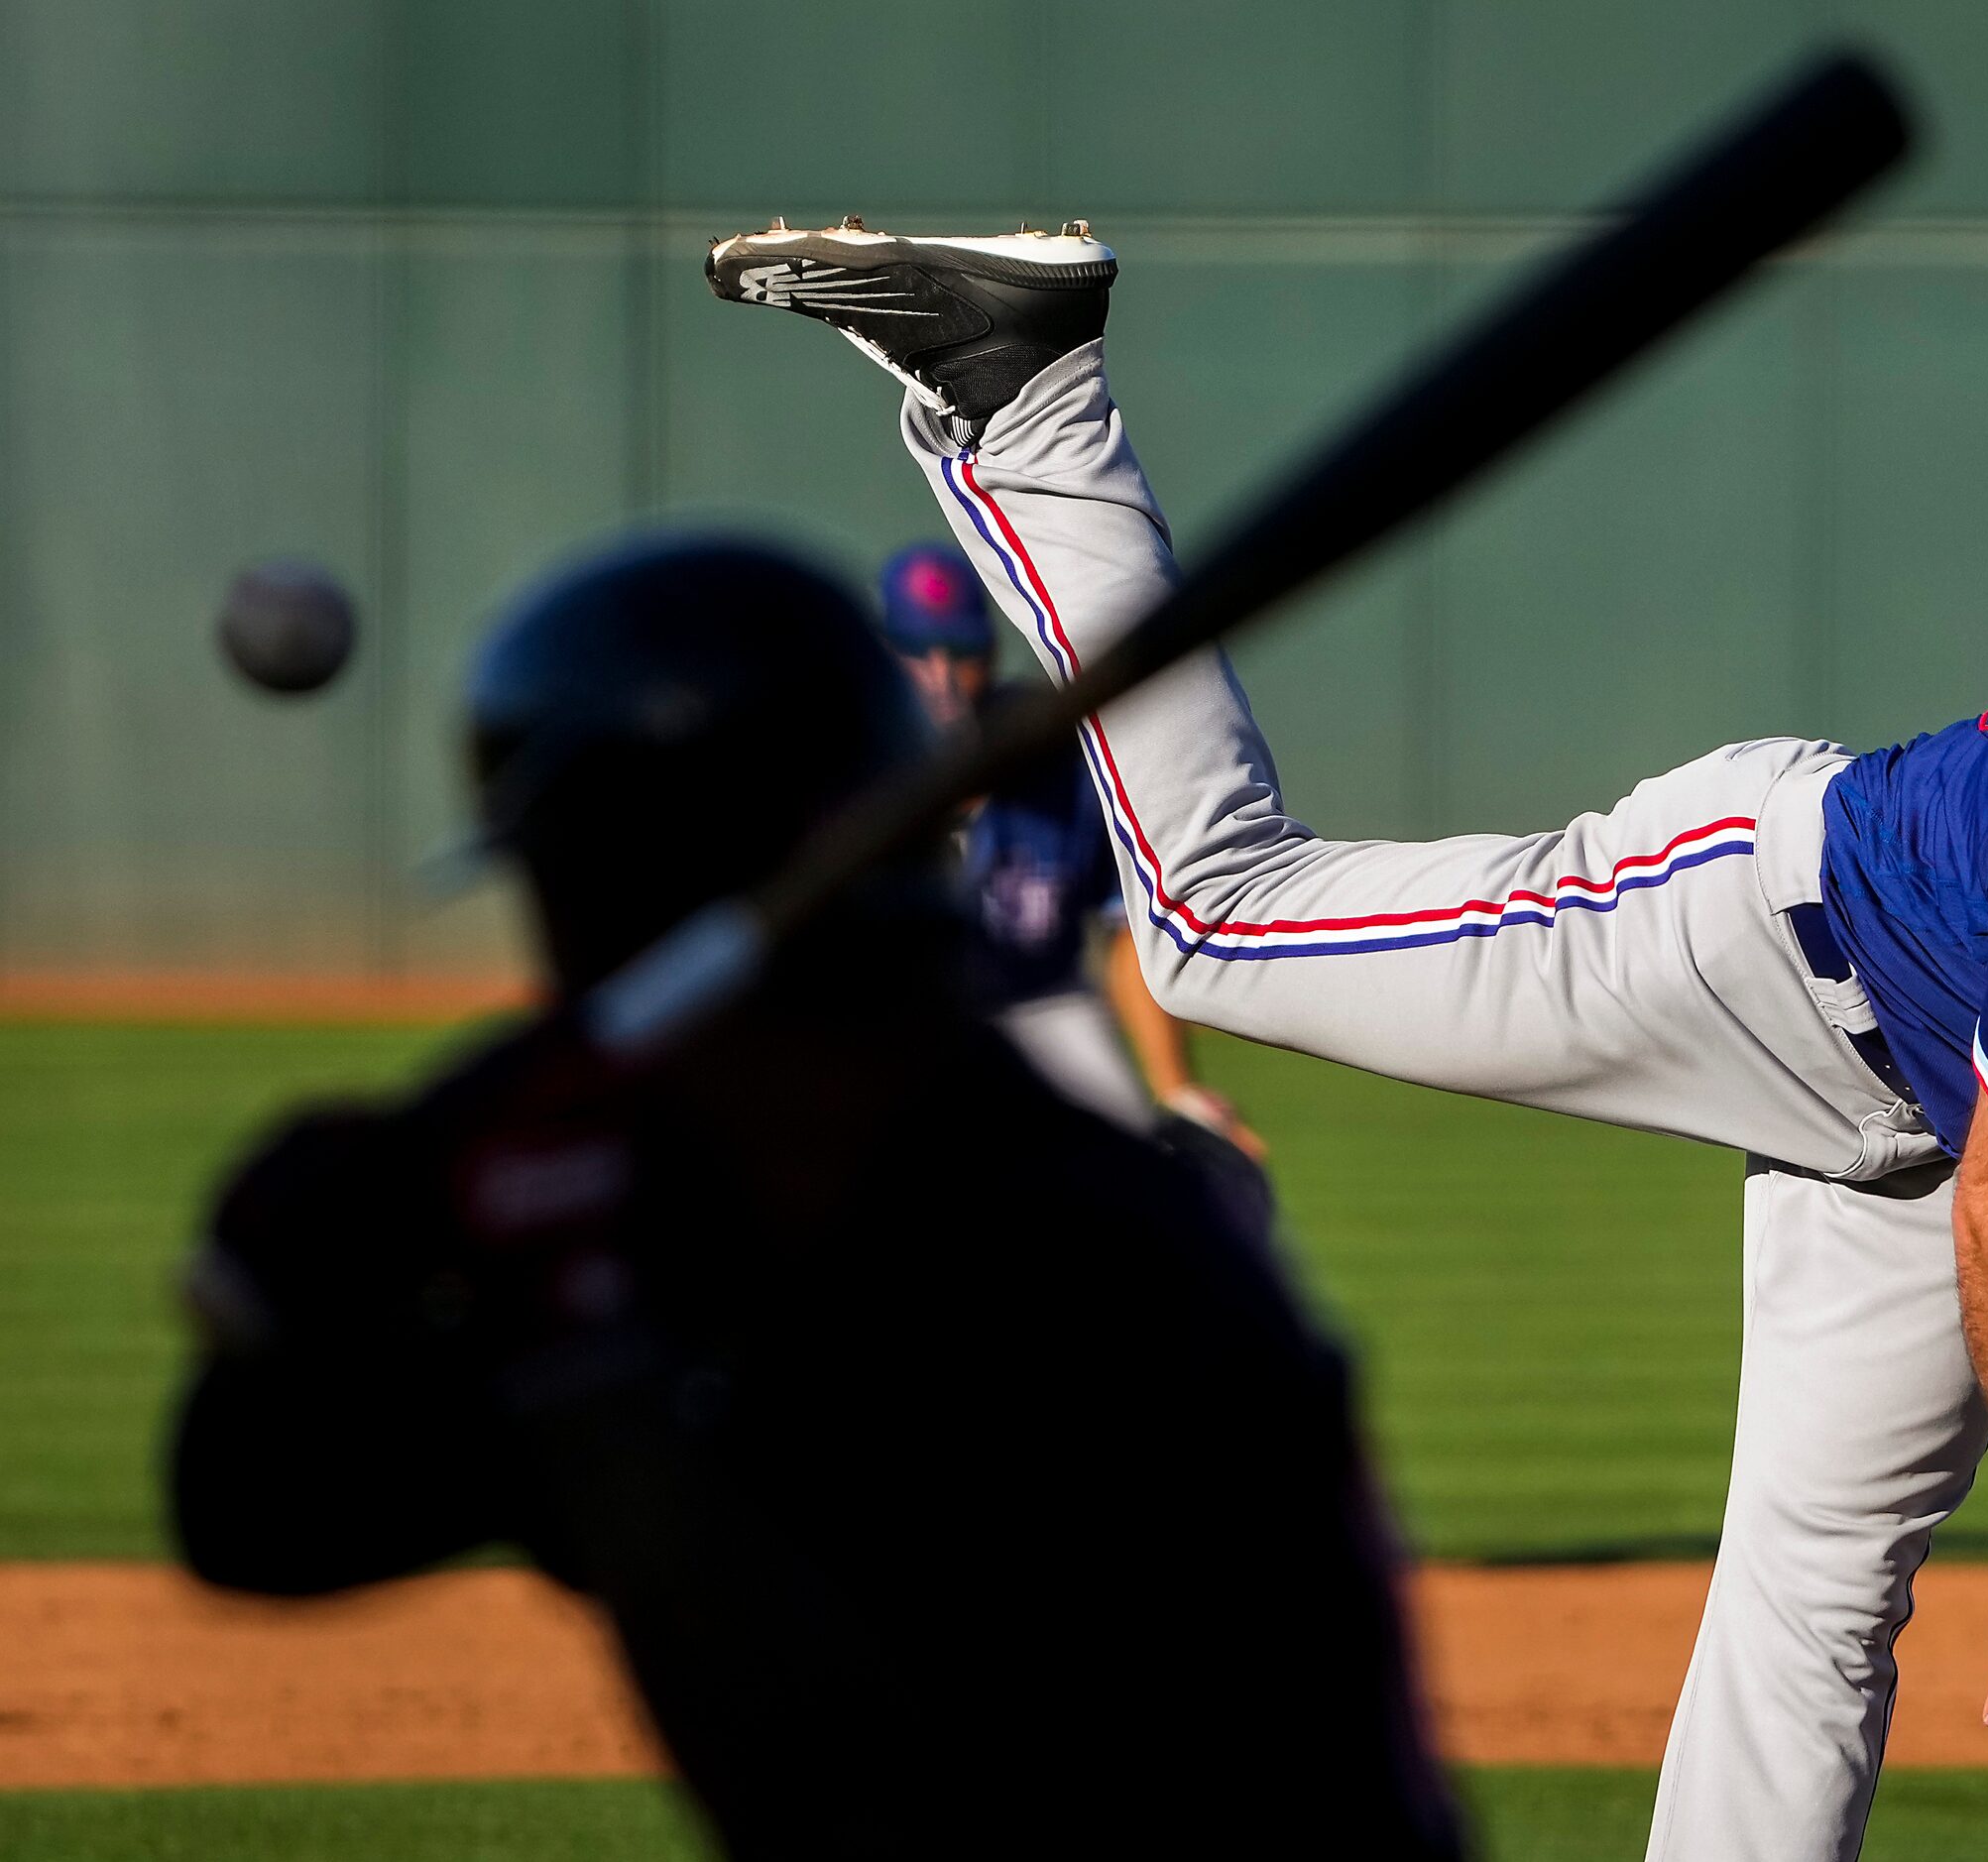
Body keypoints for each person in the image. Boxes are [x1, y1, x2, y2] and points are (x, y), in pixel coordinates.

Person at [707, 220, 1988, 1861]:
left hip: (1913, 1088)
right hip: (1749, 937)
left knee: (1815, 1604)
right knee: (1212, 923)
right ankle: (1036, 393)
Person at [167, 536, 1462, 1862]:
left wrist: (588, 1369)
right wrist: (288, 1294)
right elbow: (257, 1517)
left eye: (561, 886)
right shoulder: (666, 1195)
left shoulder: (1063, 1257)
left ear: (623, 884)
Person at [877, 538, 1262, 1153]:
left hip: (1043, 1011)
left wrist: (1174, 1088)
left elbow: (1130, 929)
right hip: (889, 1032)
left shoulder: (1054, 750)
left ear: (993, 650)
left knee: (1152, 1177)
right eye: (919, 652)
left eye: (964, 650)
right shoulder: (846, 764)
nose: (943, 675)